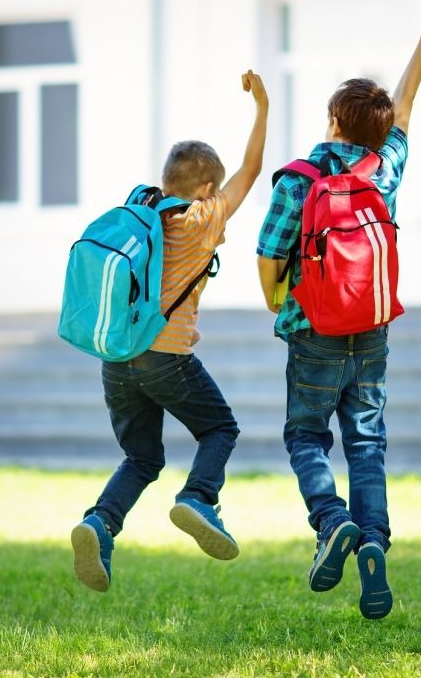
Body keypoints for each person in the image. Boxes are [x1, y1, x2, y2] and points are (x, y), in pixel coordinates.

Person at [255, 0, 421, 620]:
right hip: (370, 331)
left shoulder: (300, 178)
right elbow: (407, 105)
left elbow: (269, 255)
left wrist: (278, 306)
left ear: (332, 121)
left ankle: (332, 520)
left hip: (311, 328)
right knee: (366, 443)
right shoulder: (383, 170)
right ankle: (373, 545)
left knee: (305, 436)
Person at [71, 71, 269, 593]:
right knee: (220, 430)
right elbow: (252, 169)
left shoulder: (141, 210)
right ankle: (199, 497)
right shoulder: (202, 218)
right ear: (206, 187)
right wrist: (262, 106)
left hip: (117, 356)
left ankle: (99, 523)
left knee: (141, 456)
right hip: (168, 356)